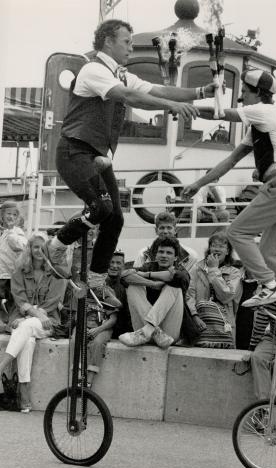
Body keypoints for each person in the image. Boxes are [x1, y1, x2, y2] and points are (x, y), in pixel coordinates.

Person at [45, 18, 214, 290]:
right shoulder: (93, 70)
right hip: (74, 150)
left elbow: (158, 89)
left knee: (116, 219)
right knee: (101, 207)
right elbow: (129, 96)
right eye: (127, 42)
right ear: (108, 41)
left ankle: (98, 280)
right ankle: (57, 244)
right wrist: (170, 105)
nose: (131, 49)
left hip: (98, 156)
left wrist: (200, 91)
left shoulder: (121, 73)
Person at [183, 68, 276, 318]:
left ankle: (269, 286)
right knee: (270, 252)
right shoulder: (260, 126)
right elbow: (230, 160)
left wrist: (184, 106)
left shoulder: (265, 111)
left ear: (257, 93)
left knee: (237, 231)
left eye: (244, 93)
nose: (242, 97)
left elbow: (221, 113)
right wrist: (199, 184)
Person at [0, 232, 66, 413]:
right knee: (27, 338)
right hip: (25, 319)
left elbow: (53, 301)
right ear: (29, 249)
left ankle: (2, 366)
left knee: (26, 326)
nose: (39, 251)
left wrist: (33, 315)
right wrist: (33, 314)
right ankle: (24, 393)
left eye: (42, 247)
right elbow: (20, 300)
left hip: (48, 321)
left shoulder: (56, 272)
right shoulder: (19, 272)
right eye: (35, 247)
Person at [119, 237, 189, 349]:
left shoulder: (182, 271)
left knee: (174, 287)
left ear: (176, 258)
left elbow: (176, 277)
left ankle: (150, 328)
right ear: (156, 255)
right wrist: (152, 284)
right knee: (133, 286)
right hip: (144, 329)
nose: (164, 255)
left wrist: (147, 275)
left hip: (169, 333)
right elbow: (124, 276)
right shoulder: (148, 266)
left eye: (169, 253)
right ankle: (153, 331)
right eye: (161, 252)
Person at [186, 232, 242, 347]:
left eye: (221, 246)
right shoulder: (196, 269)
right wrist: (194, 316)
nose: (217, 249)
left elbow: (226, 296)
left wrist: (213, 269)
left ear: (227, 251)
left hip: (224, 325)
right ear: (209, 248)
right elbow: (189, 295)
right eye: (214, 245)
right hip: (200, 322)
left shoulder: (235, 272)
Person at [133, 211, 198, 273]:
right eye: (162, 228)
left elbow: (190, 282)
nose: (165, 231)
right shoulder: (143, 255)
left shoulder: (191, 256)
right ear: (156, 230)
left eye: (169, 228)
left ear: (175, 230)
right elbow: (135, 278)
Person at [0, 201, 27, 305]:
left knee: (11, 302)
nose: (11, 217)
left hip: (10, 276)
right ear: (2, 214)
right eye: (8, 213)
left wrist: (10, 231)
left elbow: (20, 246)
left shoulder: (17, 231)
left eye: (14, 214)